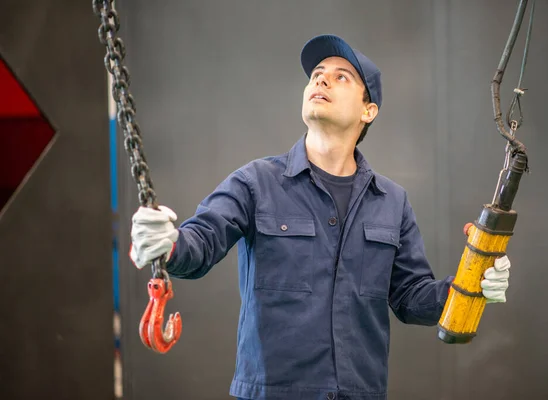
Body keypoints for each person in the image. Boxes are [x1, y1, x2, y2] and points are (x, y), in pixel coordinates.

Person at [129, 34, 511, 400]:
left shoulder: (392, 202)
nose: (322, 79)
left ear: (368, 110)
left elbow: (412, 298)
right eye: (316, 75)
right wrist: (169, 242)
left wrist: (473, 285)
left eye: (341, 76)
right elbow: (200, 242)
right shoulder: (255, 183)